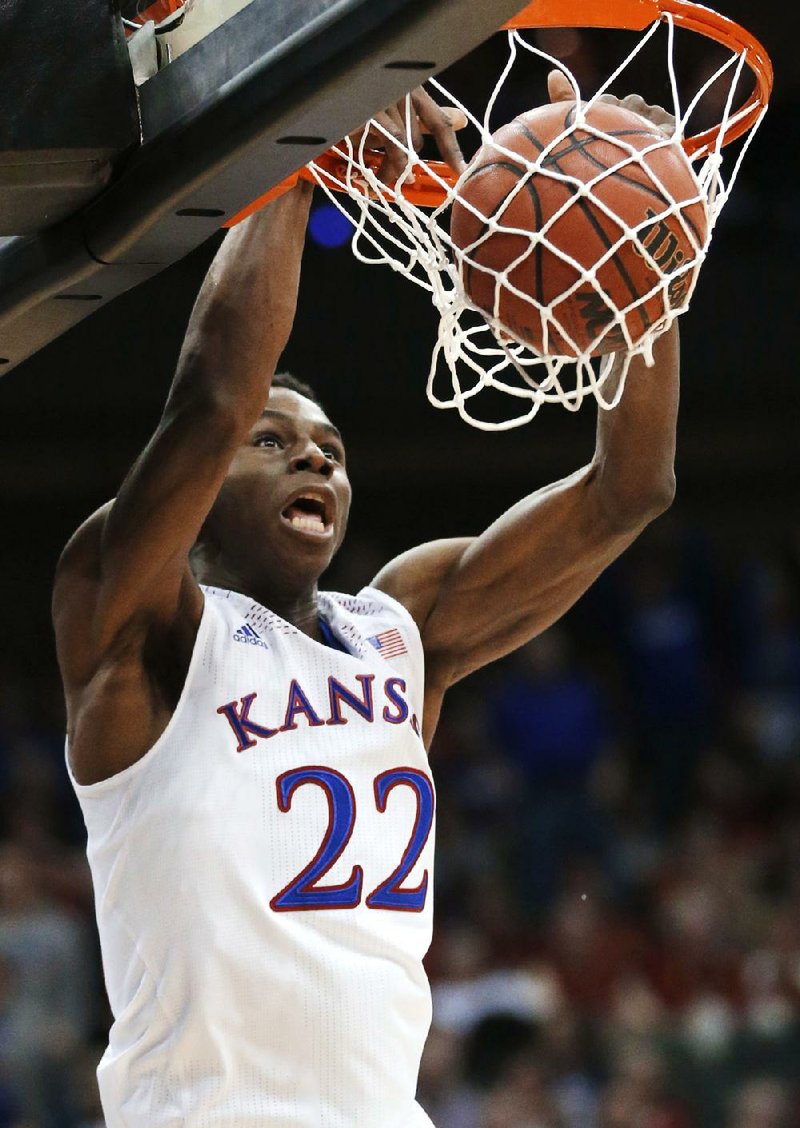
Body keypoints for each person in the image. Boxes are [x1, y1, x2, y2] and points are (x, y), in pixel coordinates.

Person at [53, 74, 679, 1128]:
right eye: (277, 443)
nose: (313, 459)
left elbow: (629, 489)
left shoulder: (398, 630)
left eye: (332, 454)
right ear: (200, 503)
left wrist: (643, 275)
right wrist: (301, 143)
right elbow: (211, 400)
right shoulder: (136, 627)